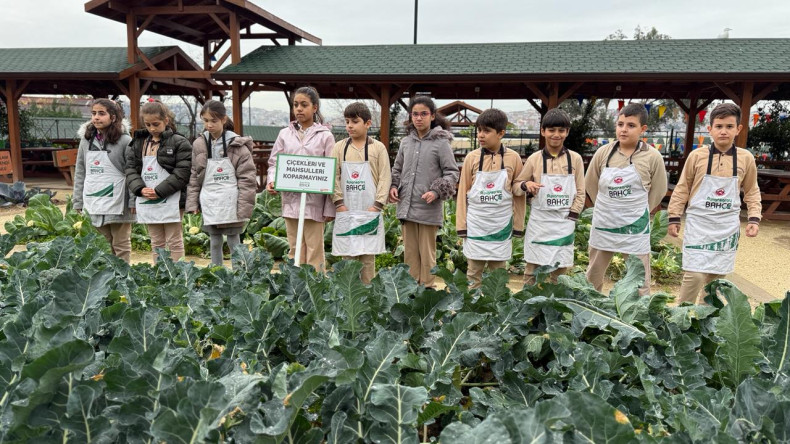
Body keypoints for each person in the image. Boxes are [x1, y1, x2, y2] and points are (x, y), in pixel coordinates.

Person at [668, 103, 761, 304]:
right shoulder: (696, 156)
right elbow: (682, 187)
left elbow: (752, 190)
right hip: (699, 224)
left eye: (729, 126)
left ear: (738, 129)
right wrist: (674, 216)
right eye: (719, 126)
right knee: (694, 275)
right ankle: (682, 315)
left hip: (726, 227)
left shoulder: (746, 158)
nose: (723, 131)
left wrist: (754, 217)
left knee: (715, 280)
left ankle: (705, 317)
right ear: (710, 129)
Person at [584, 103, 667, 295]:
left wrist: (640, 210)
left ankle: (639, 309)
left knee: (639, 276)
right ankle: (590, 304)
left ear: (642, 129)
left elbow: (659, 189)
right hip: (605, 223)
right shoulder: (603, 153)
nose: (624, 129)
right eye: (620, 124)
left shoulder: (652, 156)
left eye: (631, 125)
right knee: (593, 273)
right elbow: (591, 183)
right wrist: (606, 206)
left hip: (635, 226)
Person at [390, 96, 459, 287]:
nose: (419, 118)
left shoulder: (441, 143)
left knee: (427, 255)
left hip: (428, 209)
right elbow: (397, 169)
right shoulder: (405, 142)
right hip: (406, 207)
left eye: (423, 114)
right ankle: (411, 291)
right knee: (410, 254)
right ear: (411, 116)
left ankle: (427, 290)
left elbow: (452, 172)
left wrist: (436, 191)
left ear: (432, 116)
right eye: (415, 114)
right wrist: (394, 186)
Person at [266, 86, 335, 271]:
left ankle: (316, 284)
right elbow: (274, 162)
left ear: (314, 107)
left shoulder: (325, 136)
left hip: (315, 204)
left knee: (314, 251)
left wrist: (329, 206)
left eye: (304, 105)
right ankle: (295, 283)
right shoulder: (284, 134)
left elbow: (333, 172)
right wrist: (272, 180)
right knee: (294, 248)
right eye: (295, 105)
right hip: (291, 201)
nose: (299, 109)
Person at [514, 108, 585, 284]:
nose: (556, 134)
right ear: (543, 131)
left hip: (564, 222)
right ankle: (528, 300)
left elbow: (581, 191)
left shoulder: (575, 159)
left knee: (559, 273)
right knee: (531, 271)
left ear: (567, 132)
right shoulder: (534, 159)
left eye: (561, 130)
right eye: (551, 130)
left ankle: (556, 301)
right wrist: (526, 185)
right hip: (540, 222)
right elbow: (516, 186)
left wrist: (572, 215)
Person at [456, 108, 525, 288]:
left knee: (498, 276)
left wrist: (518, 226)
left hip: (501, 226)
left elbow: (518, 195)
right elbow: (462, 194)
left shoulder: (514, 158)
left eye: (486, 131)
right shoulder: (471, 158)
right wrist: (461, 226)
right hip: (476, 225)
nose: (481, 135)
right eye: (479, 130)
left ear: (501, 133)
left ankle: (496, 305)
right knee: (473, 273)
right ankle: (472, 304)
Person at [186, 100, 257, 267]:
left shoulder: (237, 145)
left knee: (234, 241)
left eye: (213, 121)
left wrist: (244, 207)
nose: (209, 125)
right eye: (205, 121)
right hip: (209, 199)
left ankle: (239, 273)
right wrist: (192, 203)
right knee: (215, 240)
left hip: (231, 201)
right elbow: (195, 175)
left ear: (224, 120)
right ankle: (216, 272)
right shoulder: (199, 144)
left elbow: (247, 179)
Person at [331, 102, 392, 284]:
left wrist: (378, 205)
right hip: (346, 210)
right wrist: (338, 202)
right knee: (348, 258)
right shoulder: (339, 147)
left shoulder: (378, 148)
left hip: (370, 210)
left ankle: (368, 293)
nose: (349, 126)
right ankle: (348, 294)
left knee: (367, 258)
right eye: (347, 122)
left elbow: (385, 177)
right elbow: (333, 176)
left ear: (367, 123)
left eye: (355, 121)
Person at [126, 100, 192, 262]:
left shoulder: (179, 142)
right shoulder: (138, 142)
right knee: (156, 242)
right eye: (148, 125)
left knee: (174, 240)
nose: (152, 128)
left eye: (156, 124)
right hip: (147, 197)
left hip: (173, 199)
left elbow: (183, 172)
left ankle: (178, 273)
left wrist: (159, 191)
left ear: (166, 120)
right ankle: (159, 273)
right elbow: (131, 169)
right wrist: (140, 189)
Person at [72, 99, 134, 263]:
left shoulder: (125, 141)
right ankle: (106, 276)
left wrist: (133, 200)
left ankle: (123, 275)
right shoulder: (86, 141)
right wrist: (77, 200)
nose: (96, 117)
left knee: (121, 244)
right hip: (95, 200)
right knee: (103, 245)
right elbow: (80, 171)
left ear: (113, 117)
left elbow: (133, 172)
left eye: (101, 113)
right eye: (93, 113)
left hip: (119, 202)